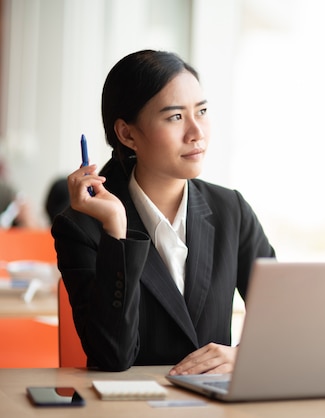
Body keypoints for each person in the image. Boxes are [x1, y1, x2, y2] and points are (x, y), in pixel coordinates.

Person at [51, 50, 275, 374]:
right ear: (127, 134)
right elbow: (111, 357)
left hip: (213, 406)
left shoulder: (231, 210)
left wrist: (245, 355)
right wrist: (117, 230)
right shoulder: (81, 227)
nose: (196, 131)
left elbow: (282, 319)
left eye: (202, 111)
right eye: (175, 117)